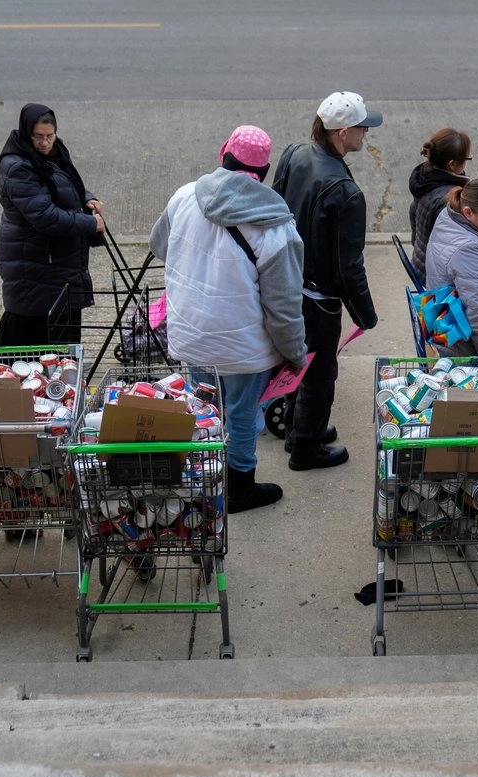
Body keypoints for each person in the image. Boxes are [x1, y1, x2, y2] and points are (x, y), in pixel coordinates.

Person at [149, 125, 307, 513]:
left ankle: (203, 479)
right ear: (265, 170)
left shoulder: (184, 197)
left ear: (223, 155)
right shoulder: (276, 226)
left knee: (204, 412)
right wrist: (295, 354)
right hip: (243, 350)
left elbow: (159, 245)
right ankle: (239, 488)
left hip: (190, 336)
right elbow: (284, 307)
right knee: (241, 418)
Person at [272, 91, 381, 471]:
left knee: (293, 358)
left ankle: (295, 428)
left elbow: (273, 206)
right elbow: (348, 266)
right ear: (344, 132)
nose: (366, 134)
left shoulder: (294, 153)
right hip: (317, 298)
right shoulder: (346, 194)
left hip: (285, 282)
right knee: (319, 374)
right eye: (363, 128)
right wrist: (366, 315)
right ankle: (306, 447)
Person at [0, 102, 105, 347]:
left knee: (60, 330)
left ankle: (61, 376)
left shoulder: (54, 153)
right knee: (33, 334)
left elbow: (66, 186)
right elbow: (45, 216)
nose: (45, 143)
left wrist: (87, 198)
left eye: (50, 136)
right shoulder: (18, 167)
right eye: (38, 137)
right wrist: (89, 224)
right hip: (33, 261)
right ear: (26, 134)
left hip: (53, 262)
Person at [424, 177, 478, 368]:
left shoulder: (449, 216)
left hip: (447, 330)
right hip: (464, 348)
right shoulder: (468, 250)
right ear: (468, 212)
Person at [408, 128, 471, 284]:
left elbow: (412, 213)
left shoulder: (425, 179)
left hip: (419, 262)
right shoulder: (451, 198)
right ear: (452, 164)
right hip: (434, 275)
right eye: (466, 159)